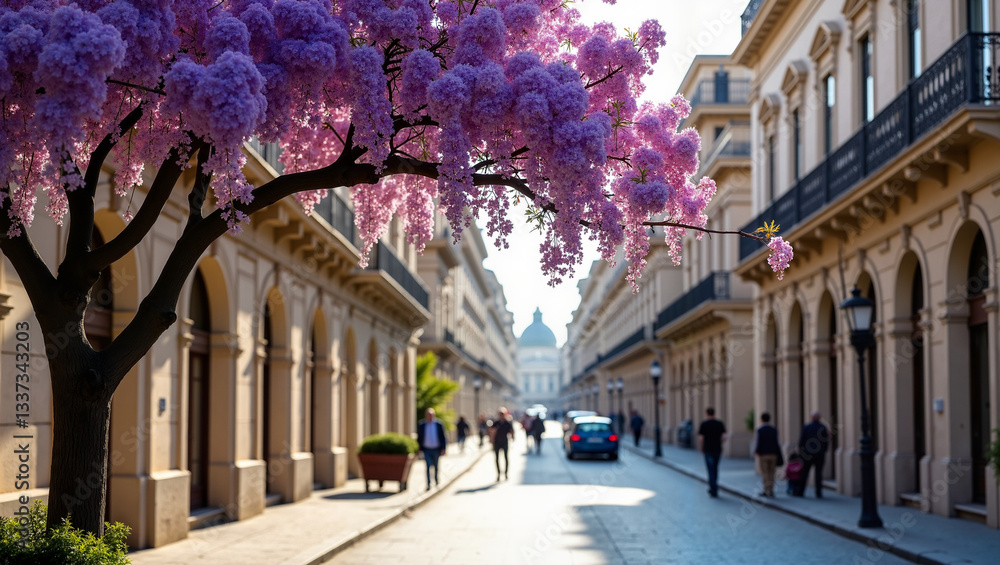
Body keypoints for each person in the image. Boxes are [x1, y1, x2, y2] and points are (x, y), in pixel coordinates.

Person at [797, 410, 830, 498]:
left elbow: (801, 441)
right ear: (819, 418)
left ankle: (801, 491)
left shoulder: (807, 427)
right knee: (818, 473)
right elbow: (826, 441)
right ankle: (818, 492)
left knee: (805, 472)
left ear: (812, 418)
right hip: (819, 453)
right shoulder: (823, 427)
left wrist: (801, 452)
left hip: (808, 453)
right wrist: (824, 450)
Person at [697, 407, 727, 498]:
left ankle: (713, 489)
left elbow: (701, 438)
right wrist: (720, 443)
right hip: (717, 449)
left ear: (707, 414)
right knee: (715, 469)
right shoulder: (720, 423)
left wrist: (702, 447)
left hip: (708, 450)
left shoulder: (704, 424)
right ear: (714, 413)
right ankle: (714, 487)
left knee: (710, 470)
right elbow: (725, 436)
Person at [416, 408, 447, 490]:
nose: (429, 416)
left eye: (431, 415)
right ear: (426, 415)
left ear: (434, 415)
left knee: (436, 466)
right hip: (426, 449)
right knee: (428, 466)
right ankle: (428, 484)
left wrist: (444, 448)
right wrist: (419, 448)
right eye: (428, 415)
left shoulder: (439, 424)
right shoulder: (422, 424)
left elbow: (443, 437)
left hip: (436, 448)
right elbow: (419, 437)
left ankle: (436, 480)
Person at [753, 412, 781, 497]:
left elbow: (757, 442)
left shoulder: (760, 430)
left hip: (763, 454)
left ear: (761, 419)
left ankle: (765, 490)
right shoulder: (774, 430)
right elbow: (778, 442)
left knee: (765, 472)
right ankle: (771, 490)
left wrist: (756, 451)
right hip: (773, 453)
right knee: (772, 472)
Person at [491, 407, 515, 481]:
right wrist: (491, 439)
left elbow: (511, 431)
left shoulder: (507, 423)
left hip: (504, 442)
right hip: (497, 443)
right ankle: (498, 474)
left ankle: (506, 473)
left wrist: (513, 437)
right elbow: (492, 431)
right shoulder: (496, 423)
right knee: (497, 459)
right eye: (500, 414)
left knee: (506, 458)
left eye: (502, 414)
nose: (501, 415)